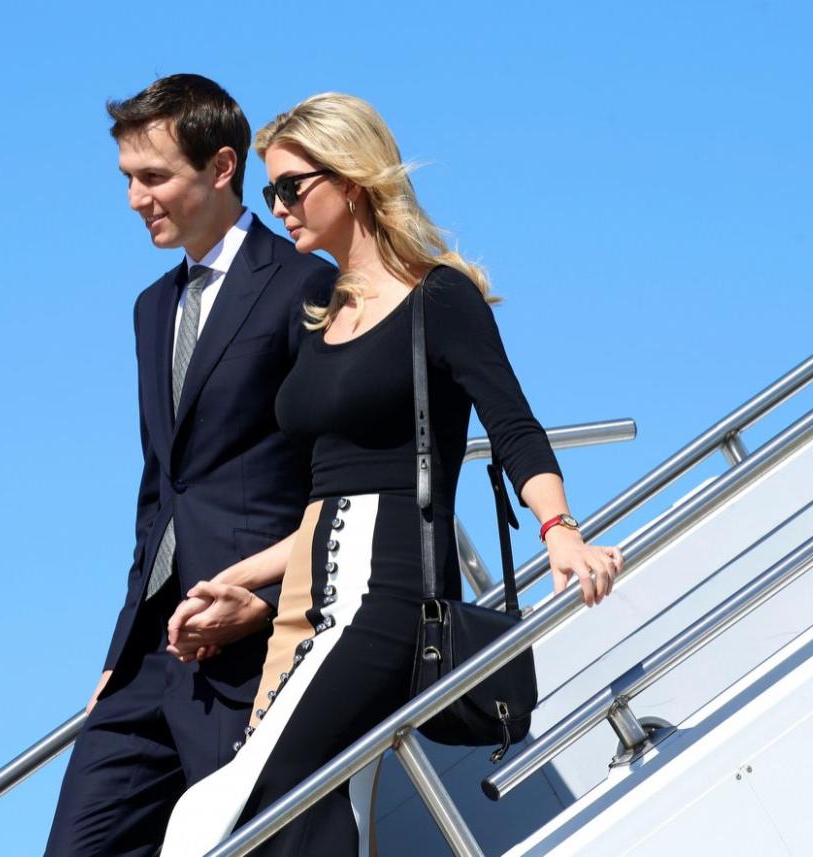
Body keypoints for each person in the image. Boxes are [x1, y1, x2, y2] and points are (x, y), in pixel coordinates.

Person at [159, 93, 624, 856]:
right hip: (309, 595)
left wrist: (561, 530)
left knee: (255, 799)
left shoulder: (439, 296)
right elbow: (327, 499)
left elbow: (512, 426)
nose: (278, 207)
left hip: (387, 590)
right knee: (301, 805)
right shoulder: (320, 308)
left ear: (353, 178)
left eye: (291, 187)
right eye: (269, 191)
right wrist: (241, 578)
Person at [43, 75, 337, 857]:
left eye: (154, 177)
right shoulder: (151, 309)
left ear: (221, 167)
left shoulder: (304, 283)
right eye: (127, 180)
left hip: (253, 638)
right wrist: (119, 653)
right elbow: (160, 490)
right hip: (152, 652)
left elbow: (334, 470)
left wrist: (271, 598)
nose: (137, 199)